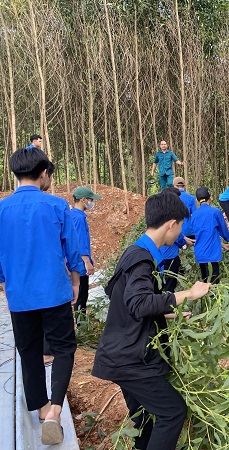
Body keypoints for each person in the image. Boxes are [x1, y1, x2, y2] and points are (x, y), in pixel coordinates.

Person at [92, 190, 211, 450]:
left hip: (121, 353)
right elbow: (139, 302)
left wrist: (169, 313)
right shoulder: (142, 259)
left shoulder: (136, 252)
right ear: (171, 224)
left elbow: (125, 301)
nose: (179, 234)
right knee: (173, 412)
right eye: (180, 227)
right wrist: (188, 294)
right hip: (129, 358)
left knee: (143, 418)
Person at [0, 147, 82, 446]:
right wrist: (75, 283)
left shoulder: (1, 209)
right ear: (44, 173)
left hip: (20, 295)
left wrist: (5, 284)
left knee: (29, 351)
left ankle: (42, 408)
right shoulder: (57, 205)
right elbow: (72, 250)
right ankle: (55, 411)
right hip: (54, 291)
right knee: (63, 348)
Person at [191, 187, 229, 283]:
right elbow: (225, 233)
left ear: (197, 200)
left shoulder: (194, 215)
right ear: (210, 197)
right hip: (211, 254)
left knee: (205, 281)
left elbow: (203, 235)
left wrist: (221, 245)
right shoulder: (215, 212)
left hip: (200, 254)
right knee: (214, 284)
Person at [71, 186, 102, 316]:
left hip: (76, 263)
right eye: (90, 199)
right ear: (83, 200)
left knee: (79, 296)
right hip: (80, 265)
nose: (91, 202)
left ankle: (79, 320)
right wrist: (86, 262)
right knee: (81, 297)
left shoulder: (74, 215)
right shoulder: (78, 218)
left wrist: (90, 256)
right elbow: (80, 242)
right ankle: (80, 323)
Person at [160, 188, 194, 293]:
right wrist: (184, 243)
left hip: (160, 255)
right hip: (169, 256)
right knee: (169, 286)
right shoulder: (171, 216)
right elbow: (175, 235)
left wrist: (185, 239)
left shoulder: (160, 212)